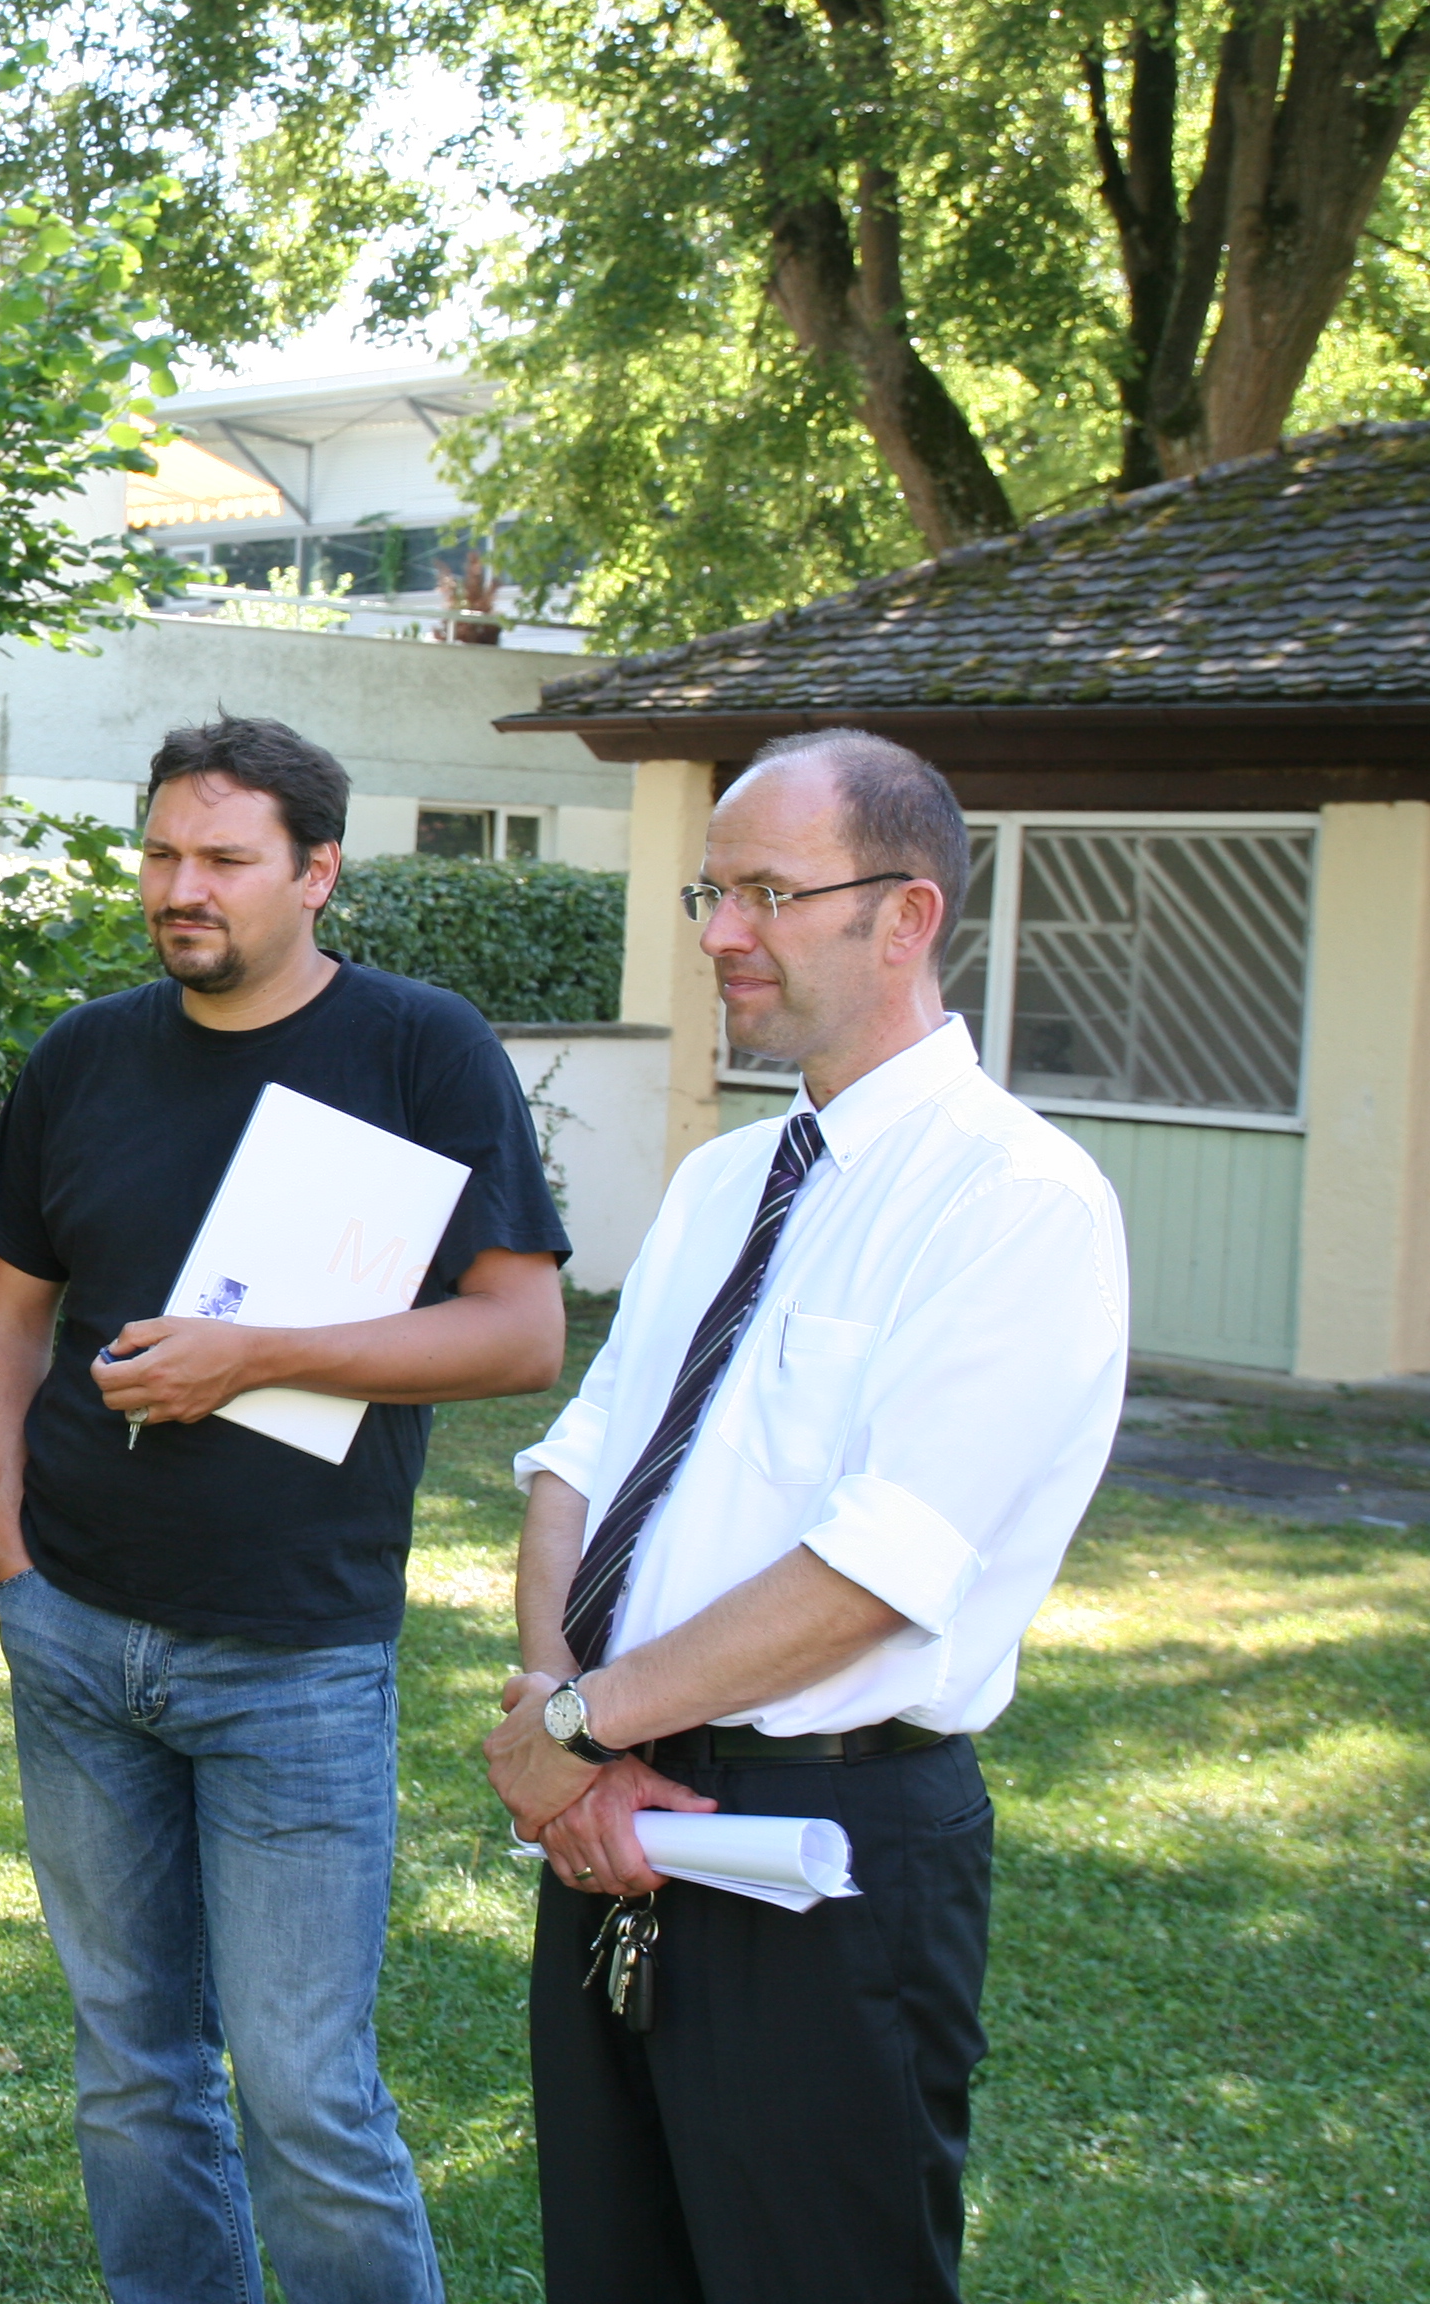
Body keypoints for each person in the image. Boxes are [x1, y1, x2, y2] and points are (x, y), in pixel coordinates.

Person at [480, 732, 1126, 2304]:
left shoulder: (1016, 1203)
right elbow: (577, 1470)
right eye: (715, 889)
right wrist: (586, 1753)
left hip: (832, 1854)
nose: (717, 932)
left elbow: (875, 1576)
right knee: (617, 2273)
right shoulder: (722, 1182)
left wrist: (575, 1722)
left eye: (767, 892)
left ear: (904, 919)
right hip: (622, 1829)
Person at [0, 717, 571, 2304]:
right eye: (163, 853)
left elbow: (519, 1331)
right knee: (132, 2070)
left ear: (317, 871)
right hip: (78, 1632)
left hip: (293, 1657)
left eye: (223, 859)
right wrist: (11, 1552)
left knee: (305, 2089)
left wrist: (257, 1357)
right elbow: (11, 1319)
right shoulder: (85, 1056)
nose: (181, 887)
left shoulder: (422, 1050)